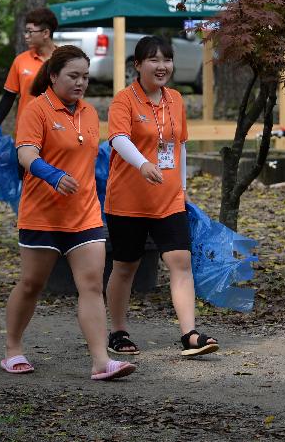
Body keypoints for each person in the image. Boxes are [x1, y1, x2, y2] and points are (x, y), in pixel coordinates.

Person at [2, 45, 136, 381]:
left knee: (91, 285)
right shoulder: (37, 110)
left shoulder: (90, 113)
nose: (81, 83)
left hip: (85, 215)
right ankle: (13, 348)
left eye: (85, 77)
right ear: (53, 75)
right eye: (73, 76)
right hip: (42, 215)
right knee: (33, 284)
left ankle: (101, 361)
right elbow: (26, 154)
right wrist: (53, 175)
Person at [104, 36, 219, 357]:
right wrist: (142, 164)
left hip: (168, 199)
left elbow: (179, 145)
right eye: (153, 60)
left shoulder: (176, 99)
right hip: (128, 200)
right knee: (126, 267)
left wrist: (181, 189)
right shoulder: (124, 100)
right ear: (137, 65)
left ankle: (189, 334)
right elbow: (118, 139)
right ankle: (118, 331)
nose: (162, 66)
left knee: (179, 262)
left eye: (167, 59)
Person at [0, 8, 58, 149]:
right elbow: (8, 97)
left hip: (57, 135)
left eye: (30, 31)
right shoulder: (20, 61)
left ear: (46, 33)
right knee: (24, 171)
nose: (26, 36)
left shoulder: (64, 60)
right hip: (26, 135)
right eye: (26, 31)